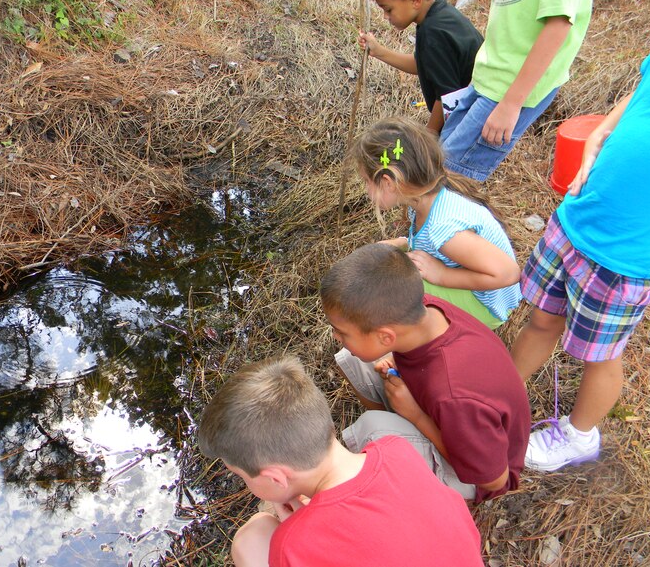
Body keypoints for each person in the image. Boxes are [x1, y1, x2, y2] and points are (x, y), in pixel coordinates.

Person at [511, 0, 650, 473]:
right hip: (578, 220)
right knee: (541, 319)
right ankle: (501, 393)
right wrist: (600, 130)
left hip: (629, 255)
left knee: (601, 354)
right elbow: (642, 93)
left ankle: (579, 434)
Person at [197, 356, 484, 567]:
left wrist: (297, 532)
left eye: (243, 476)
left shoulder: (293, 545)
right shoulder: (397, 449)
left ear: (276, 478)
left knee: (252, 539)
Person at [320, 243, 531, 503]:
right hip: (446, 417)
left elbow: (495, 480)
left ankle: (394, 448)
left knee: (372, 429)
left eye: (342, 331)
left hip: (477, 478)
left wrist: (416, 416)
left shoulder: (454, 396)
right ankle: (399, 432)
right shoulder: (426, 309)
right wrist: (394, 359)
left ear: (386, 337)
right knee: (351, 359)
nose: (335, 335)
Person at [350, 116, 521, 328]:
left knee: (394, 287)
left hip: (486, 307)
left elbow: (508, 273)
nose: (366, 189)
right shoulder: (426, 197)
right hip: (479, 290)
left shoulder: (443, 228)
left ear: (388, 183)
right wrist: (402, 244)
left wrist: (442, 275)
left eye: (366, 181)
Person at [440, 0, 595, 181]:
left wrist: (511, 103)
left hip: (510, 89)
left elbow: (558, 24)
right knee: (440, 158)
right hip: (488, 76)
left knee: (450, 176)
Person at [358, 0, 483, 134]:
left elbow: (446, 96)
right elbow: (423, 64)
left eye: (388, 9)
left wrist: (429, 133)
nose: (385, 16)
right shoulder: (441, 13)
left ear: (415, 0)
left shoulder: (433, 33)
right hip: (472, 107)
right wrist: (379, 51)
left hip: (474, 118)